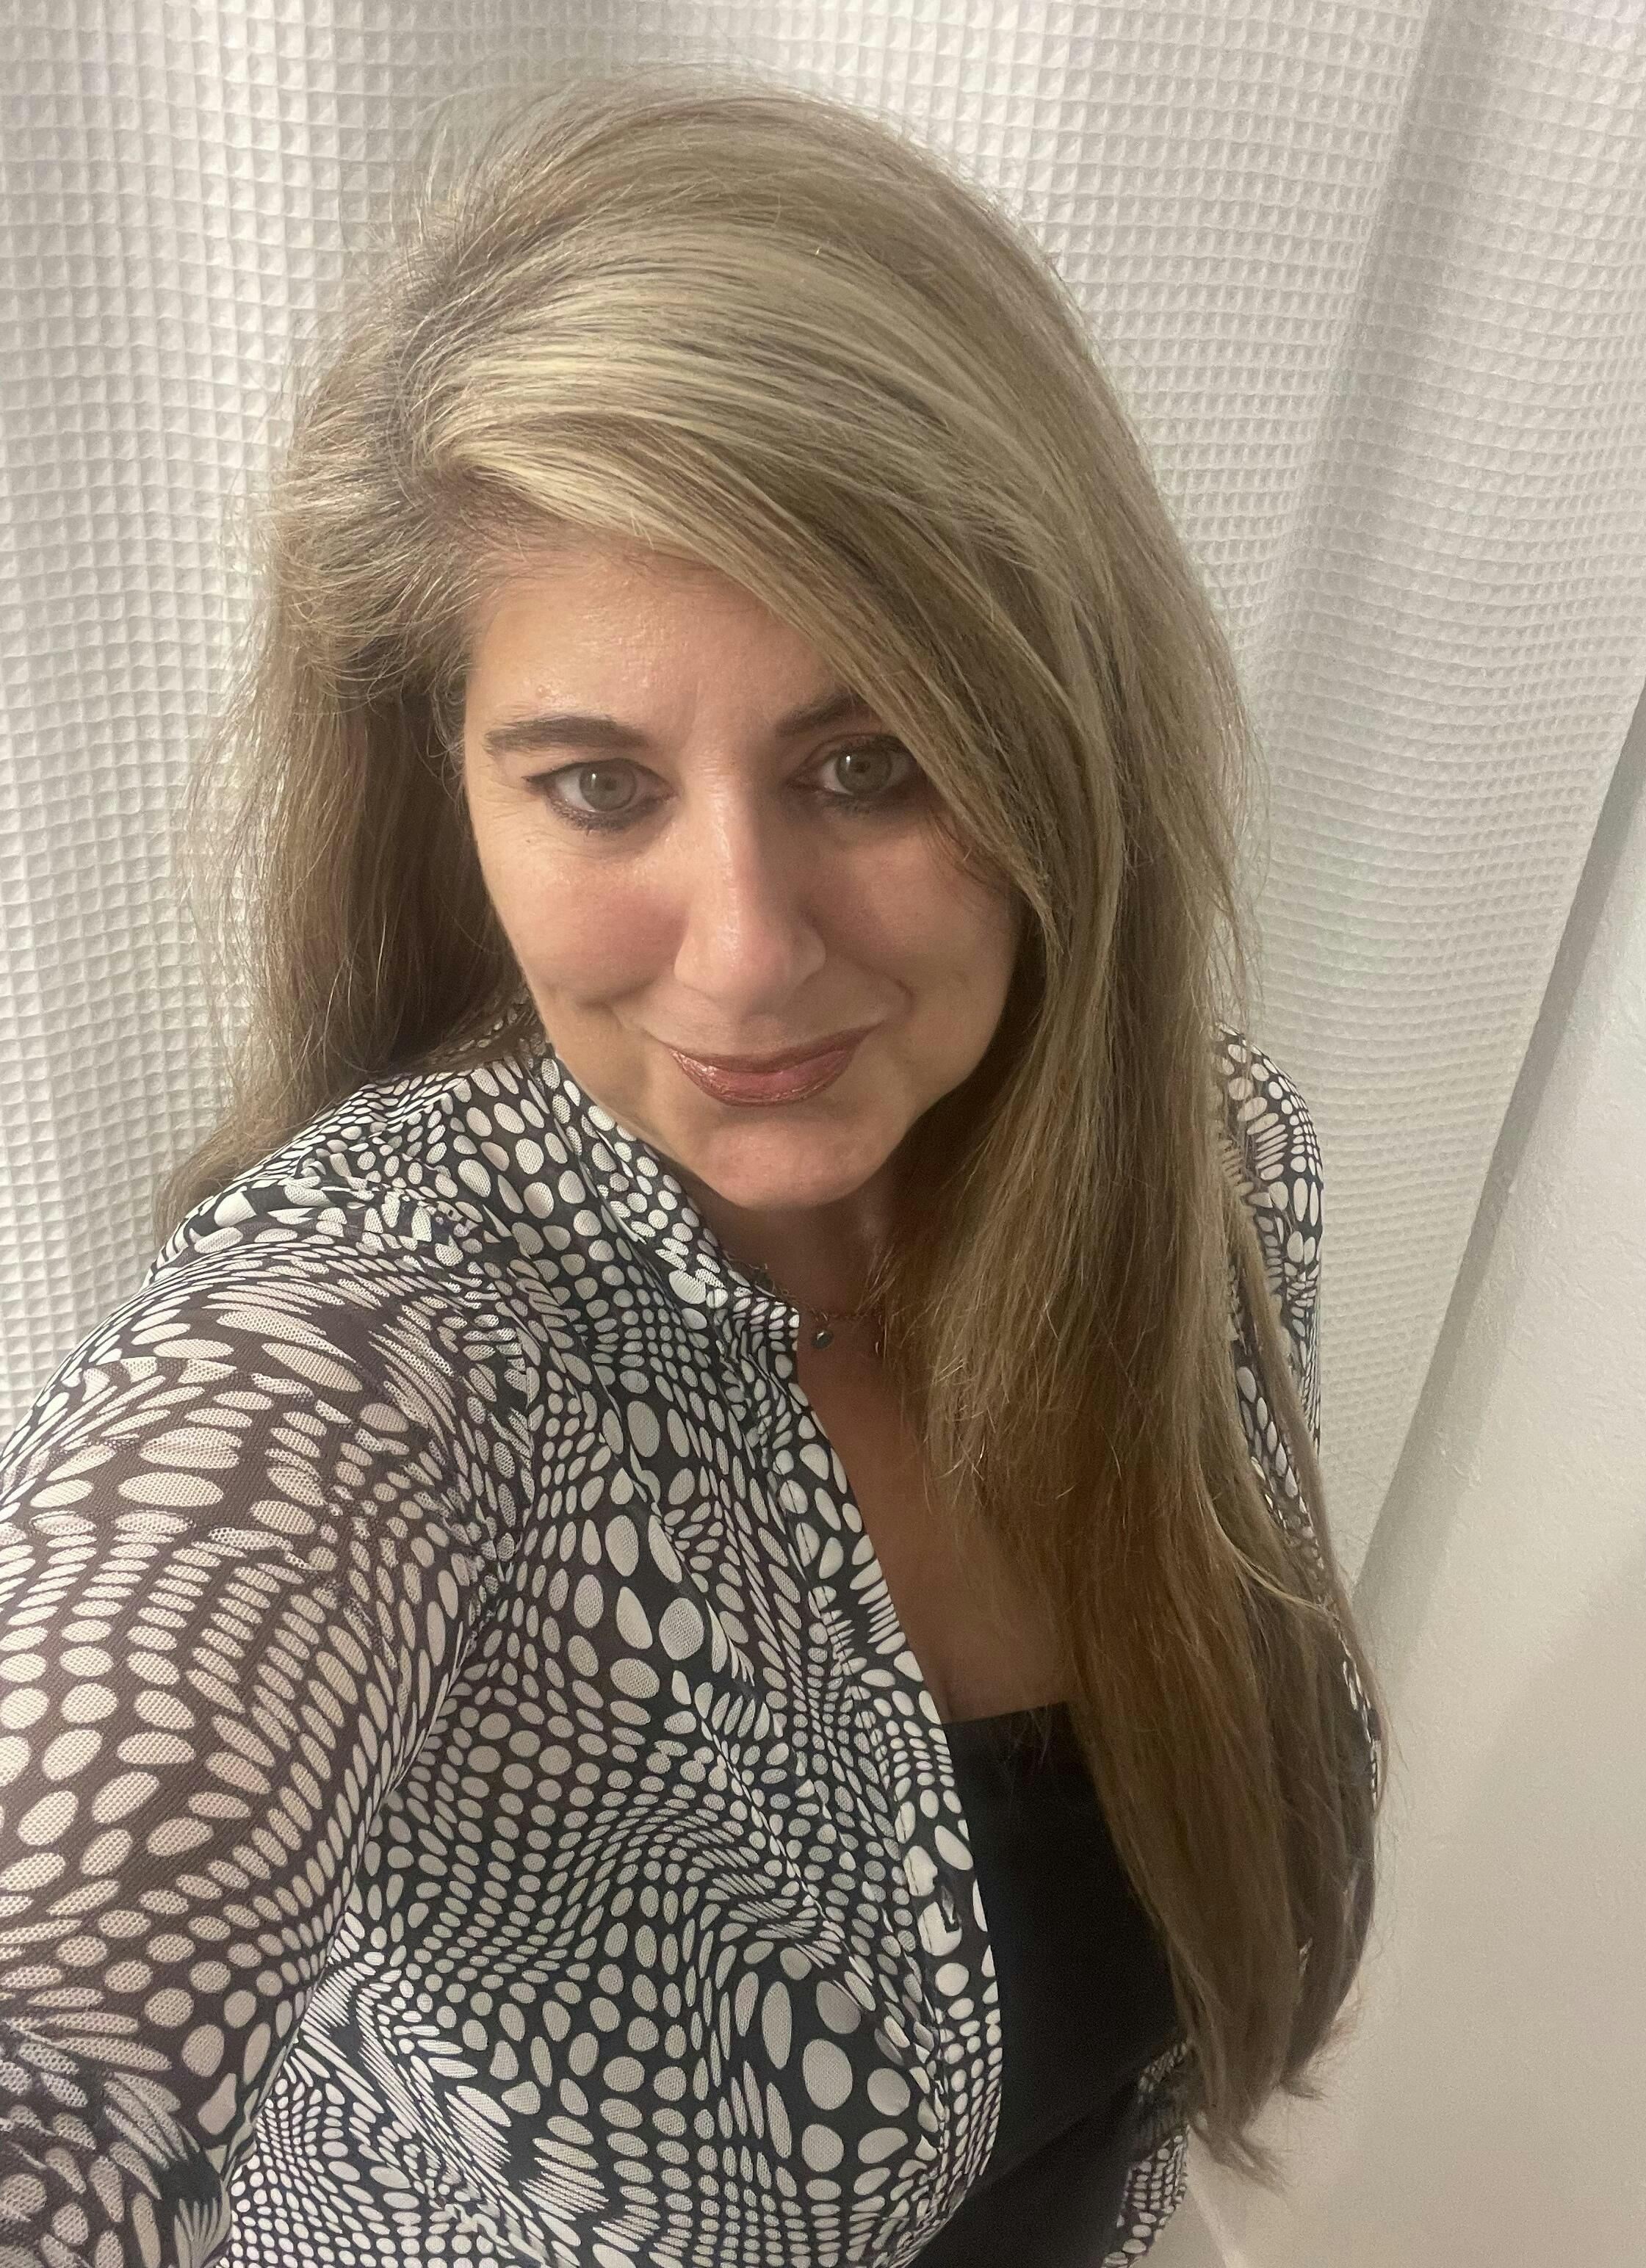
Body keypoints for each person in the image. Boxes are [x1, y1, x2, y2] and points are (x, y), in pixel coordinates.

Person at [0, 63, 1385, 2268]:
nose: (745, 953)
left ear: (1064, 737)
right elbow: (76, 1969)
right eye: (597, 787)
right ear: (447, 793)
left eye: (871, 764)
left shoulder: (1211, 1176)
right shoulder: (382, 1332)